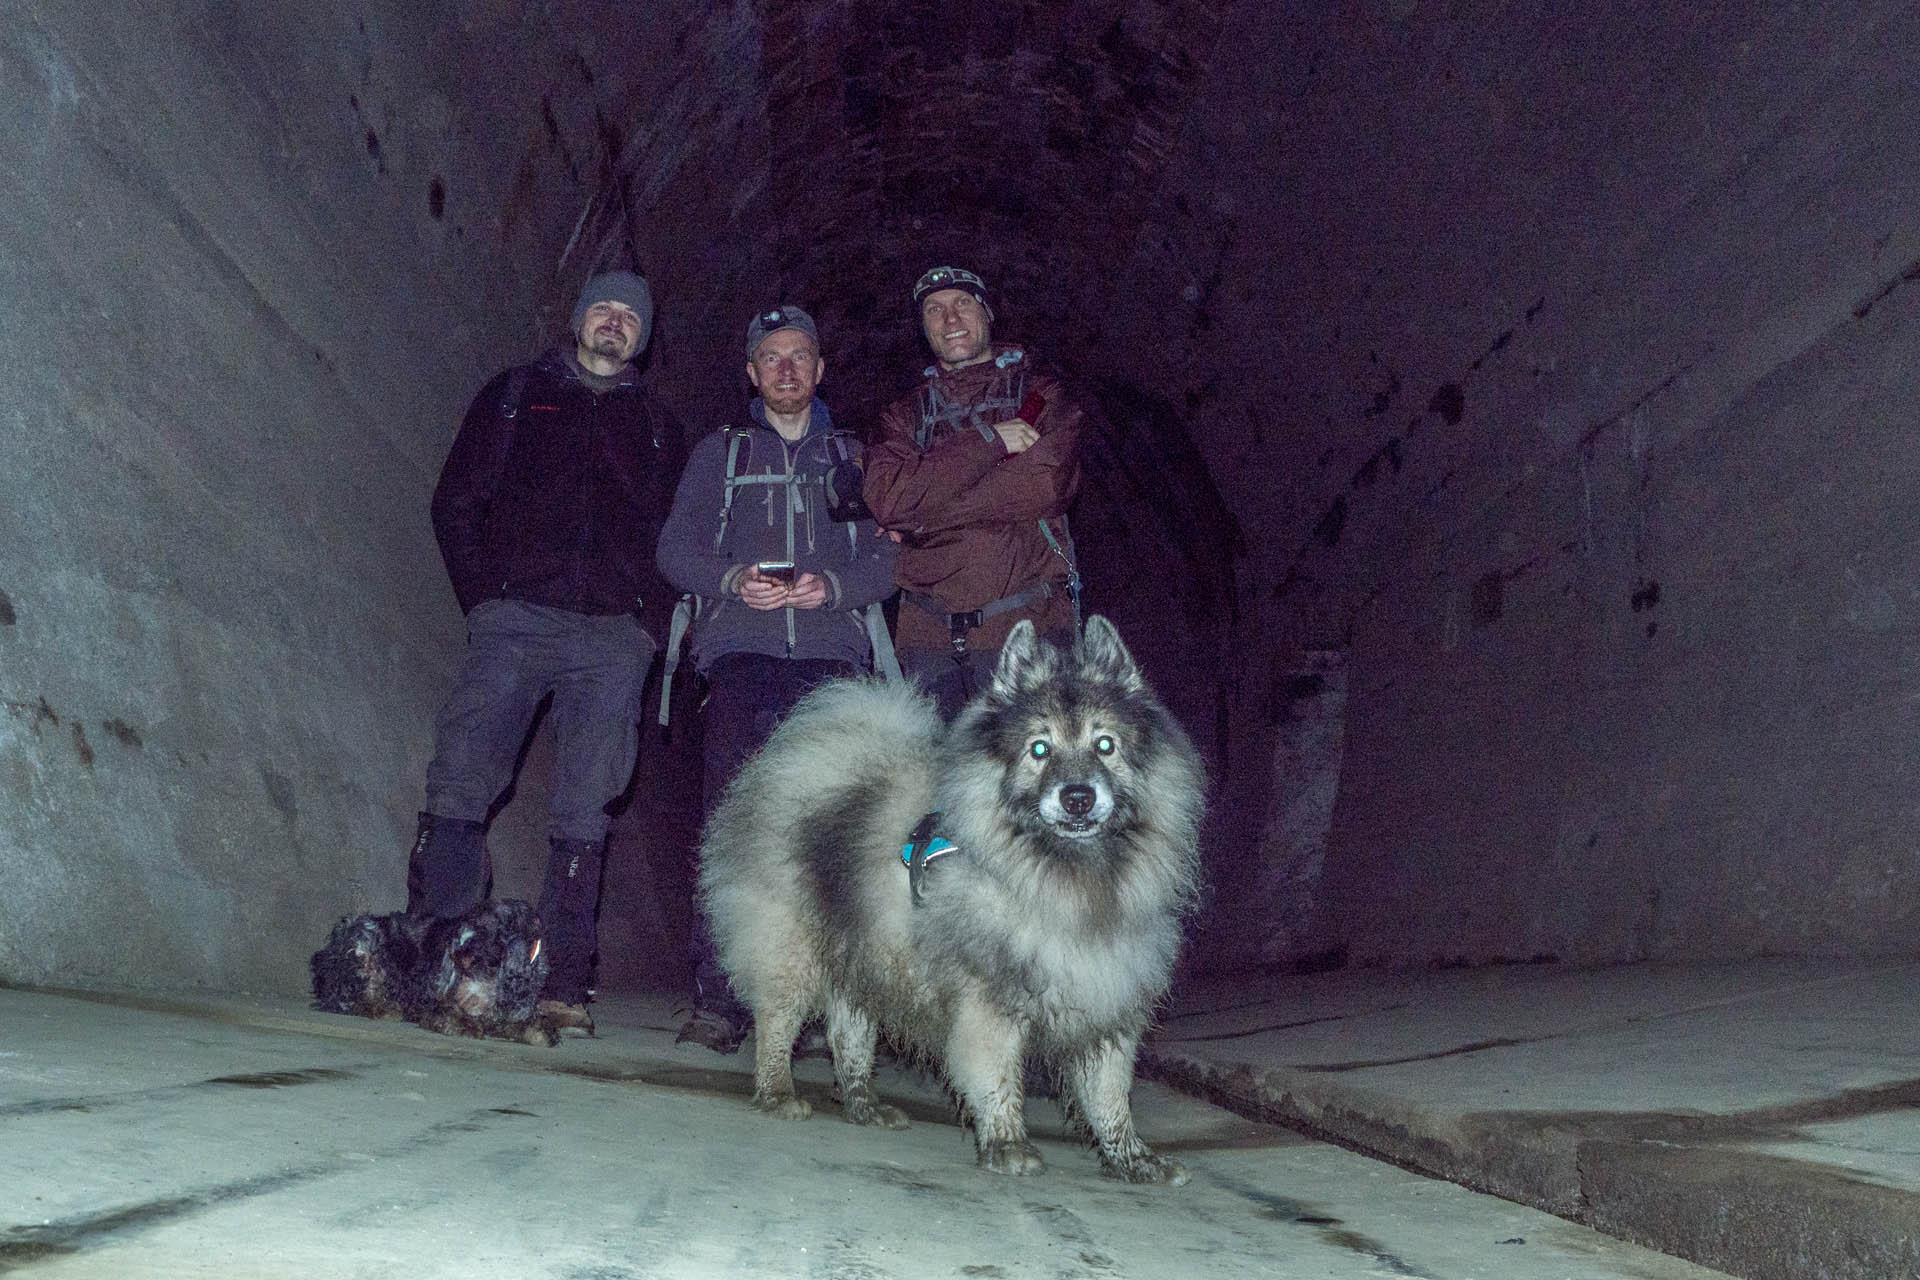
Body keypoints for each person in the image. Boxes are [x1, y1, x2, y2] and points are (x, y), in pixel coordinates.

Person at [406, 269, 685, 1032]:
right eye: (604, 308)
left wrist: (643, 627)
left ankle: (563, 982)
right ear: (577, 318)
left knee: (586, 804)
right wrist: (487, 599)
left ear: (644, 337)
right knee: (462, 777)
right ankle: (438, 959)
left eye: (631, 316)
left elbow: (675, 540)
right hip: (516, 618)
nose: (615, 322)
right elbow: (456, 499)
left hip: (609, 637)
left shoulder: (660, 428)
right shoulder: (517, 393)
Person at [657, 304, 897, 1051]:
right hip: (743, 662)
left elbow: (889, 560)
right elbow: (675, 549)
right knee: (735, 827)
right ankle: (722, 997)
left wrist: (831, 587)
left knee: (831, 836)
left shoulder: (857, 457)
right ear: (752, 373)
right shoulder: (720, 455)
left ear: (821, 369)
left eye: (800, 356)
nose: (786, 368)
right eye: (772, 357)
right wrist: (732, 580)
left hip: (831, 665)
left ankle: (826, 1009)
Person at [862, 266, 1087, 718]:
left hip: (1025, 633)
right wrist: (994, 441)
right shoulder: (903, 416)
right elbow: (888, 500)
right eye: (934, 309)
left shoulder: (1040, 397)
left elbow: (1042, 484)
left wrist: (924, 508)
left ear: (986, 312)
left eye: (962, 302)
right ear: (922, 328)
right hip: (928, 644)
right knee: (942, 787)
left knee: (1027, 784)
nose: (950, 319)